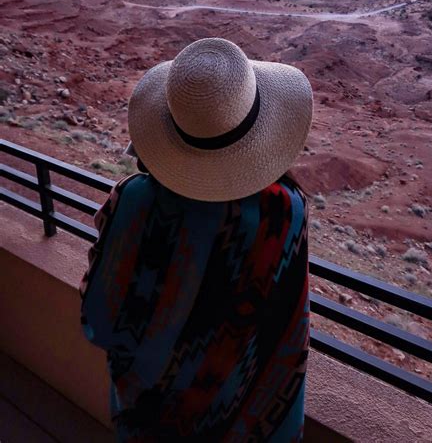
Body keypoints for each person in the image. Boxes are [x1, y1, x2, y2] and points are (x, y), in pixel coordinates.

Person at [79, 37, 313, 442]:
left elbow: (99, 318)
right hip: (248, 424)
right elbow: (288, 326)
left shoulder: (135, 201)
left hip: (151, 420)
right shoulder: (286, 211)